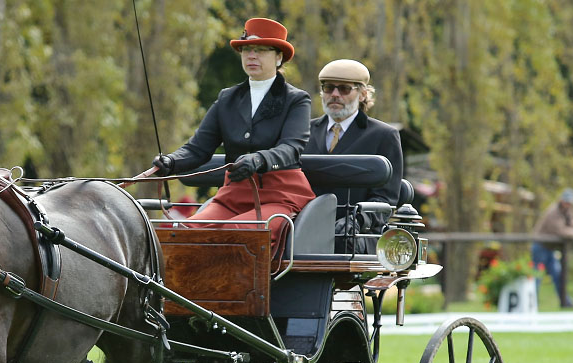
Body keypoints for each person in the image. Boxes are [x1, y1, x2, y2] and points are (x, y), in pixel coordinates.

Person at [150, 18, 315, 229]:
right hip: (233, 195)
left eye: (261, 50)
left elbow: (291, 148)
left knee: (234, 232)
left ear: (279, 57)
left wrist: (259, 159)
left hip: (279, 195)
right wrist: (171, 161)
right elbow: (198, 148)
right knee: (185, 232)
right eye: (247, 50)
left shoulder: (297, 99)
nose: (252, 56)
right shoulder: (227, 98)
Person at [305, 59, 404, 253]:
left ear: (363, 94)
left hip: (355, 238)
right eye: (328, 88)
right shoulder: (303, 132)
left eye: (344, 89)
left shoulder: (383, 136)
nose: (335, 94)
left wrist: (356, 220)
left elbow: (385, 198)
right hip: (302, 230)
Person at [531, 188, 573, 307]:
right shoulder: (553, 211)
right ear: (562, 200)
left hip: (551, 250)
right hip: (540, 247)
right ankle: (532, 304)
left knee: (558, 275)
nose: (568, 204)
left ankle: (565, 302)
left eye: (570, 202)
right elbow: (560, 231)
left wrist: (571, 231)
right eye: (567, 201)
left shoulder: (568, 211)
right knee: (537, 277)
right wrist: (571, 232)